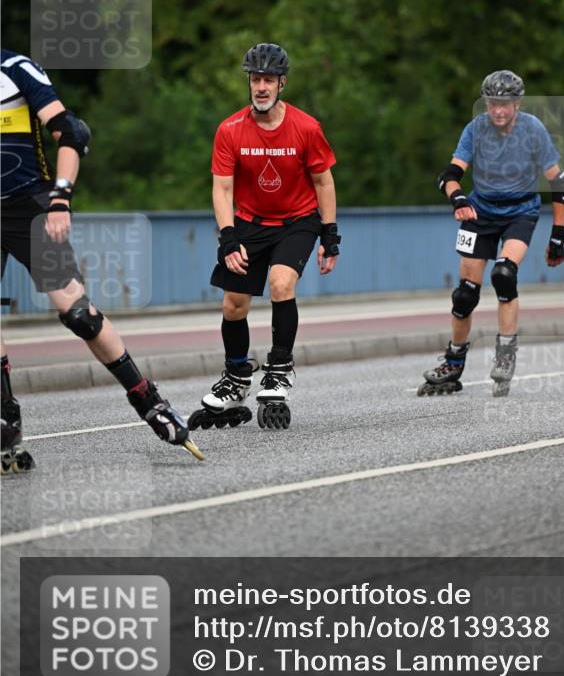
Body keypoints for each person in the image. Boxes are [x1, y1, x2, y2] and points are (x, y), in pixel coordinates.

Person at [0, 47, 203, 470]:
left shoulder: (15, 69)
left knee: (78, 313)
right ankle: (6, 424)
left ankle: (148, 399)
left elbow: (72, 132)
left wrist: (60, 198)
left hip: (28, 207)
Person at [189, 43, 340, 432]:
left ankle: (278, 369)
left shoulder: (306, 127)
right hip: (249, 223)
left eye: (268, 80)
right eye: (255, 79)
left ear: (281, 83)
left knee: (280, 283)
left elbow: (323, 181)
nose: (261, 86)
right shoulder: (230, 130)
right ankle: (237, 376)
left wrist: (329, 234)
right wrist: (227, 238)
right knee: (233, 305)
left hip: (297, 221)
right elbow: (222, 190)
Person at [419, 69, 564, 397]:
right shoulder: (476, 129)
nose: (498, 111)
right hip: (480, 211)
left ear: (517, 103)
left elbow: (560, 182)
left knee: (504, 275)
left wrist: (558, 235)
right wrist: (457, 197)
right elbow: (450, 173)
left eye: (505, 104)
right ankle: (453, 363)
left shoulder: (533, 130)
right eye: (491, 103)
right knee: (464, 294)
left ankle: (505, 355)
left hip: (520, 211)